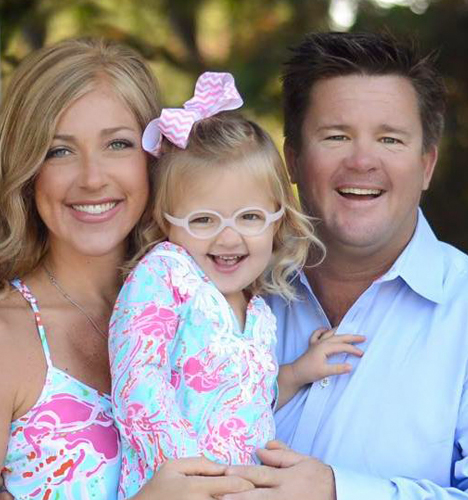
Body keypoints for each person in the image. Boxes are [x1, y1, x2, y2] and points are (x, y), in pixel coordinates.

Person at [0, 38, 255, 500]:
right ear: (25, 169)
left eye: (118, 144)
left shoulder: (214, 308)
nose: (93, 177)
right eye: (59, 151)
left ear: (154, 158)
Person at [220, 31, 468, 500]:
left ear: (427, 165)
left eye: (390, 139)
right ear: (292, 160)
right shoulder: (226, 290)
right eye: (336, 136)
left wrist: (339, 492)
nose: (361, 161)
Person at [108, 71, 365, 499]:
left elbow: (249, 398)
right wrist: (191, 473)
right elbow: (137, 381)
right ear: (165, 221)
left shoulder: (258, 309)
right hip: (175, 486)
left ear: (277, 219)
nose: (228, 238)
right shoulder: (164, 273)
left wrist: (299, 372)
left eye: (249, 217)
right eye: (203, 220)